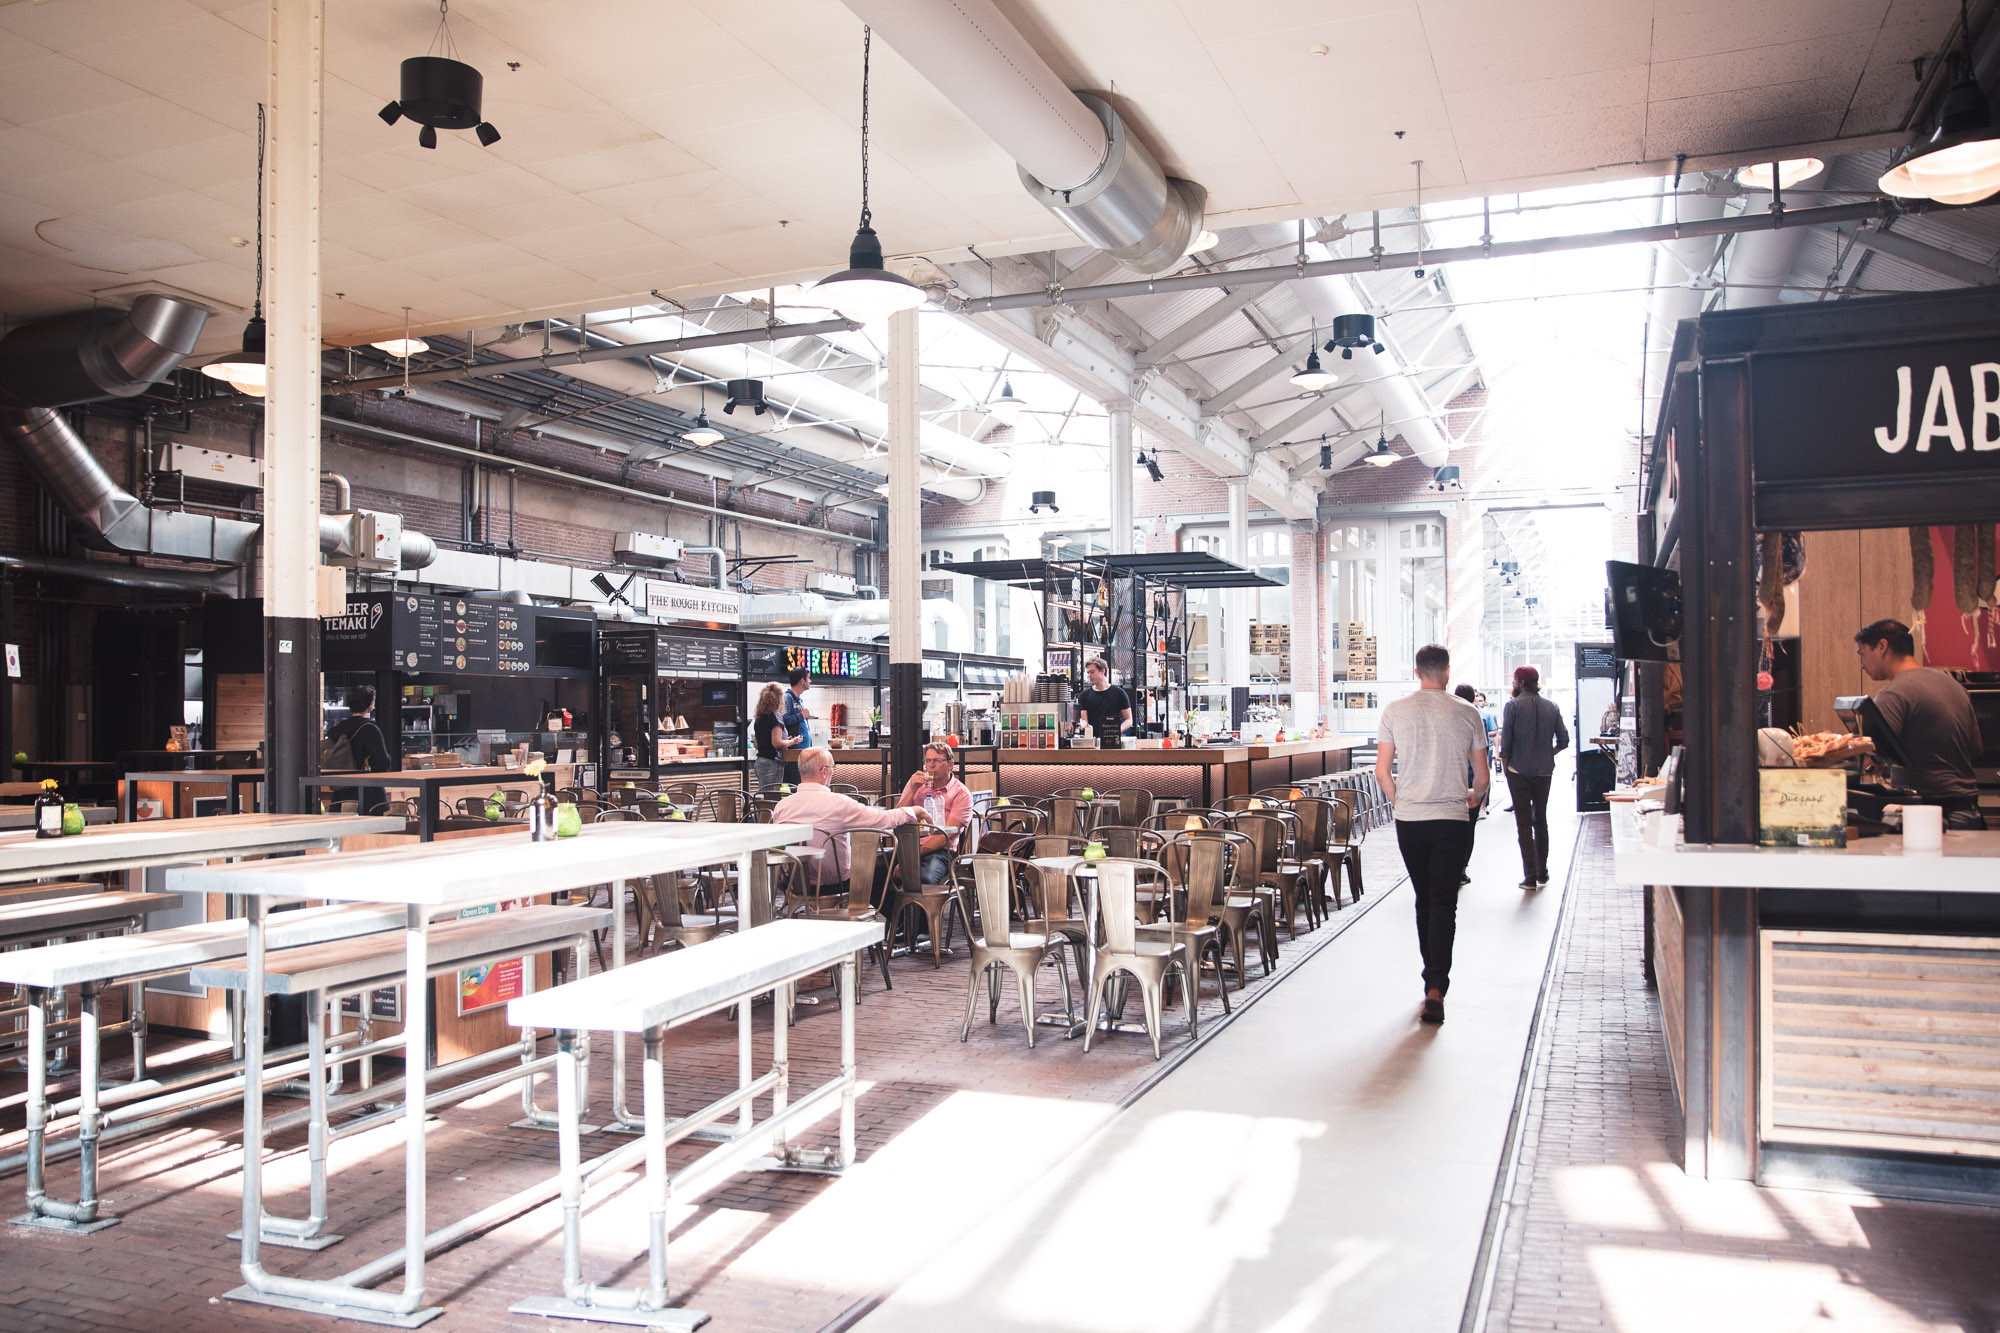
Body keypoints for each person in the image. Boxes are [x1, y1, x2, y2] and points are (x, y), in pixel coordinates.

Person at [1376, 644, 1489, 1025]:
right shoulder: (1469, 712)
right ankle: (1435, 986)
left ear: (1416, 671)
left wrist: (1399, 801)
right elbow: (1483, 777)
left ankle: (1431, 978)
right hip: (1453, 818)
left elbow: (1382, 772)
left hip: (1411, 820)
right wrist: (1474, 797)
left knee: (1424, 899)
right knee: (1444, 903)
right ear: (1447, 672)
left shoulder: (1395, 711)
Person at [1854, 618, 1986, 829]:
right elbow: (1976, 748)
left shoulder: (1892, 694)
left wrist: (1856, 758)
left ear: (1882, 646)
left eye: (1862, 654)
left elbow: (1874, 760)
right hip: (1968, 811)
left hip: (1928, 816)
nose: (1862, 664)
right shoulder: (1953, 685)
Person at [772, 748, 921, 903]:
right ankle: (903, 921)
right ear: (824, 771)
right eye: (832, 768)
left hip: (796, 885)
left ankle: (894, 921)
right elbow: (882, 820)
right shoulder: (838, 803)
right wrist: (914, 811)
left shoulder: (781, 806)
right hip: (837, 884)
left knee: (874, 869)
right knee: (890, 863)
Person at [1500, 665, 1569, 889]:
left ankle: (1529, 877)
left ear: (1520, 682)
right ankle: (1542, 872)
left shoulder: (1512, 706)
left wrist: (1506, 766)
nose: (1513, 684)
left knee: (1523, 825)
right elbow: (1564, 740)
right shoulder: (1552, 706)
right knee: (1541, 821)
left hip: (1518, 771)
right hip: (1544, 771)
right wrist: (1550, 753)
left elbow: (1506, 744)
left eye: (1514, 681)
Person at [896, 741, 972, 883]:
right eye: (928, 761)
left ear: (950, 764)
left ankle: (922, 905)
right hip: (908, 845)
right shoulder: (916, 785)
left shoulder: (962, 794)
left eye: (937, 761)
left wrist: (915, 855)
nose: (931, 765)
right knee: (876, 870)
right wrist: (912, 789)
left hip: (940, 851)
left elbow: (947, 835)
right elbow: (897, 816)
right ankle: (894, 905)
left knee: (924, 878)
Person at [324, 685, 393, 814]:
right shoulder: (370, 729)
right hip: (367, 793)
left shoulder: (337, 729)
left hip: (341, 792)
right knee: (369, 833)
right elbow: (383, 763)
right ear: (370, 705)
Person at [1454, 684, 1493, 883]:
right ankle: (1461, 869)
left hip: (1450, 781)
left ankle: (1448, 868)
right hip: (1470, 781)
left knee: (1449, 827)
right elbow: (1482, 753)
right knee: (1468, 829)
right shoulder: (1477, 716)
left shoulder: (1447, 716)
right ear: (1473, 698)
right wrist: (1480, 789)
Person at [1075, 657, 1132, 744]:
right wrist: (1079, 726)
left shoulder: (1119, 693)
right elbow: (1084, 720)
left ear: (1103, 671)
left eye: (1092, 672)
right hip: (1092, 741)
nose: (1089, 675)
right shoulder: (1084, 695)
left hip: (1112, 742)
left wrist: (1116, 731)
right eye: (1088, 672)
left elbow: (1128, 719)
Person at [751, 682, 797, 791]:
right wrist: (792, 742)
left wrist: (784, 740)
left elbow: (757, 744)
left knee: (764, 795)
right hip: (772, 762)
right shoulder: (775, 716)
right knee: (772, 798)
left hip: (760, 762)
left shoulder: (759, 717)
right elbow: (776, 743)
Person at [779, 667, 812, 785]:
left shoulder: (799, 700)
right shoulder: (787, 698)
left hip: (802, 753)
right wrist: (801, 716)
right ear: (802, 681)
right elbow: (782, 720)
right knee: (794, 786)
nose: (810, 681)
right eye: (808, 678)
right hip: (793, 754)